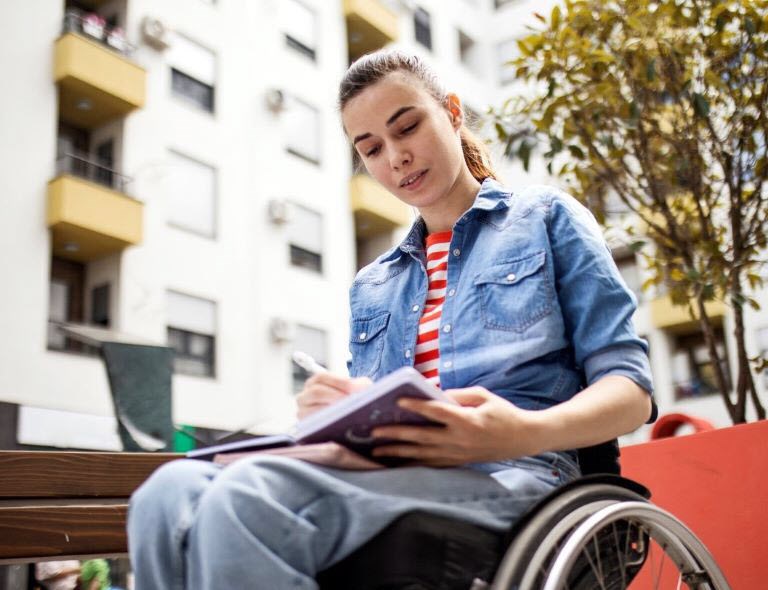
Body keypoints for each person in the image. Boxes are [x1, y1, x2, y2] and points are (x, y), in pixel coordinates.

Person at [127, 49, 653, 589]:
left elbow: (631, 393)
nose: (396, 157)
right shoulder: (374, 284)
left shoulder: (546, 218)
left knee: (246, 500)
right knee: (165, 495)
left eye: (407, 128)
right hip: (398, 477)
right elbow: (383, 414)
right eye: (372, 147)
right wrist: (333, 412)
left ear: (452, 112)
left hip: (520, 476)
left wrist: (517, 433)